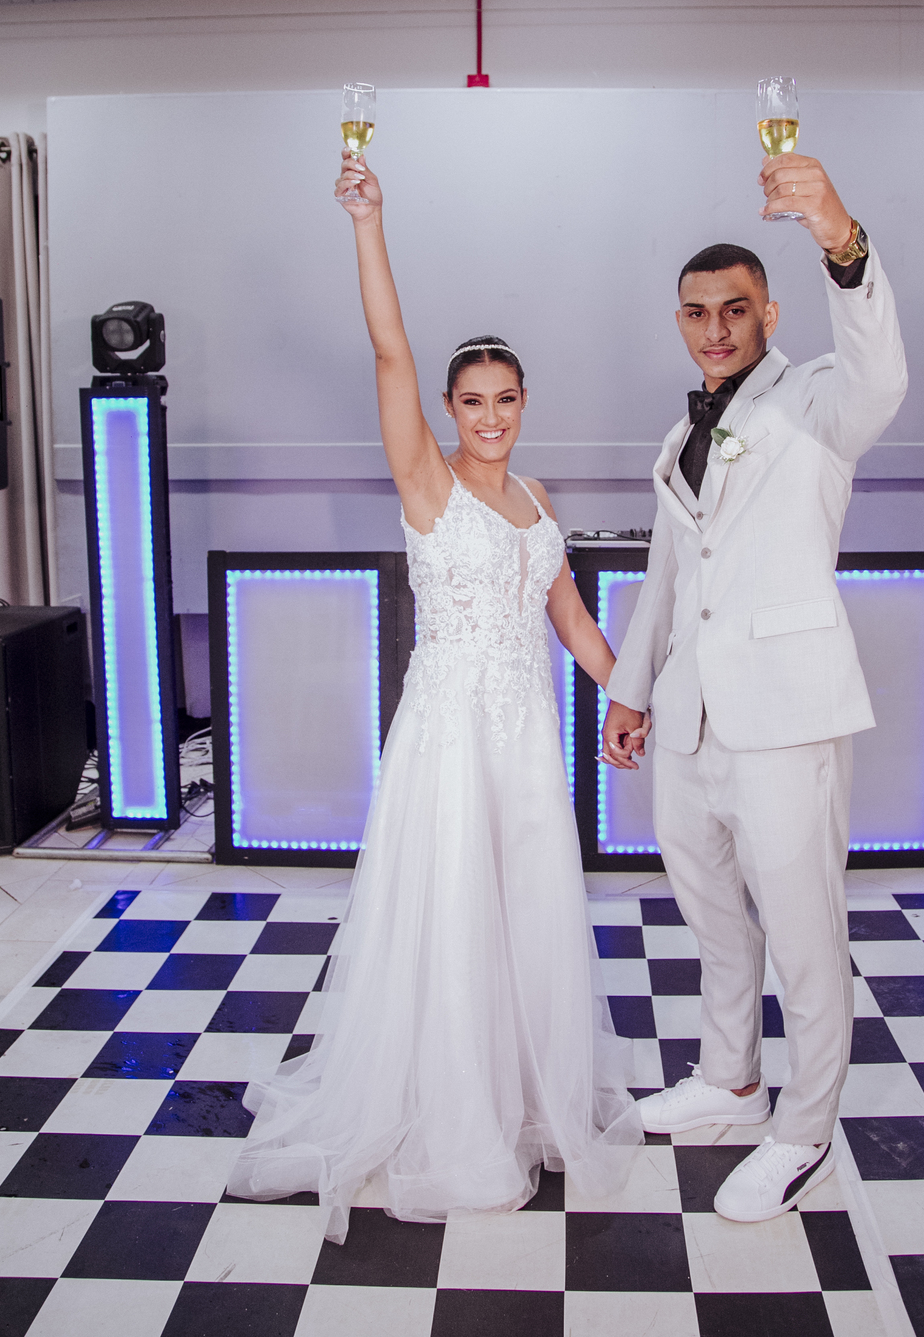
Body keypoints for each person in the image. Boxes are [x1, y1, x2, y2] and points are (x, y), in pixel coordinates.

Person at [227, 150, 640, 1242]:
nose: (490, 417)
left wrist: (628, 694)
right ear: (450, 408)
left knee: (525, 916)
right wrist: (369, 223)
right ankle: (454, 1120)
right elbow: (390, 349)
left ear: (524, 403)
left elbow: (571, 620)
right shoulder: (426, 479)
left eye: (506, 400)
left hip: (526, 737)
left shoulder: (538, 495)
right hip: (452, 734)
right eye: (472, 402)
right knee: (455, 917)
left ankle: (525, 1095)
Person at [601, 150, 907, 1224]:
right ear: (680, 323)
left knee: (804, 932)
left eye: (735, 309)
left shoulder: (818, 399)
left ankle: (803, 1130)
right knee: (712, 916)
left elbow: (880, 373)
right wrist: (632, 689)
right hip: (691, 719)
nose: (716, 328)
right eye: (697, 313)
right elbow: (668, 575)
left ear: (769, 313)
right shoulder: (679, 432)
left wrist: (841, 239)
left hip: (786, 717)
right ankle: (730, 1079)